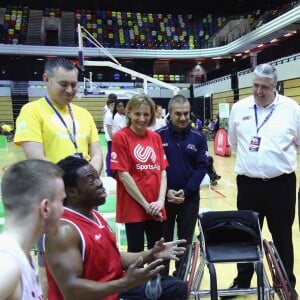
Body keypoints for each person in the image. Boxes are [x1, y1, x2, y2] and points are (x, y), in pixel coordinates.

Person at [13, 56, 103, 298]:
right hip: (53, 204)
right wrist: (73, 186)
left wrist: (87, 183)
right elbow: (36, 159)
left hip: (84, 202)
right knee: (49, 267)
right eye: (63, 84)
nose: (70, 90)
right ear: (46, 80)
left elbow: (97, 152)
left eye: (74, 84)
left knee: (86, 260)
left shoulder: (83, 114)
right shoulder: (31, 111)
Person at [44, 155, 188, 300]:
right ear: (72, 191)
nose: (100, 183)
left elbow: (115, 259)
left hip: (116, 290)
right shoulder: (63, 230)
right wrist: (124, 284)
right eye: (91, 180)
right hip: (107, 293)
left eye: (97, 177)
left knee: (176, 287)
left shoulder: (94, 215)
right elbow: (71, 291)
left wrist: (152, 254)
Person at [227, 63, 300, 300]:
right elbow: (234, 143)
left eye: (264, 87)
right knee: (246, 235)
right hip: (248, 186)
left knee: (282, 236)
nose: (259, 91)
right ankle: (242, 281)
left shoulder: (291, 109)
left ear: (275, 86)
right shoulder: (239, 109)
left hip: (281, 185)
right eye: (255, 85)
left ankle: (285, 283)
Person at [156, 94, 209, 275]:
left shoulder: (198, 137)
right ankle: (162, 280)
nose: (183, 118)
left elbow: (202, 167)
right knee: (163, 240)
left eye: (186, 113)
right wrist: (167, 191)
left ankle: (180, 279)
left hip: (190, 199)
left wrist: (186, 191)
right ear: (169, 113)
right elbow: (155, 169)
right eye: (178, 114)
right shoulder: (157, 136)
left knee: (184, 241)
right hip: (164, 198)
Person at [110, 94, 168, 253]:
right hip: (133, 206)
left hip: (156, 205)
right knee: (136, 253)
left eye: (146, 114)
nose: (142, 118)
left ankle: (158, 280)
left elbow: (162, 171)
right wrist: (145, 204)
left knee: (158, 252)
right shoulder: (120, 137)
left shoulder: (155, 137)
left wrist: (160, 201)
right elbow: (124, 175)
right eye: (137, 114)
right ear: (129, 113)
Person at [0, 159, 65, 300]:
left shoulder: (23, 255)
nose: (64, 210)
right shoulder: (7, 264)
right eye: (62, 201)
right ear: (45, 208)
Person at [104, 95, 116, 177]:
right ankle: (109, 170)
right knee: (111, 154)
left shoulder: (113, 113)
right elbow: (109, 129)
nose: (113, 106)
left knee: (110, 153)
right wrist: (113, 139)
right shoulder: (108, 114)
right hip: (110, 138)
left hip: (112, 137)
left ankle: (111, 169)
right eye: (112, 105)